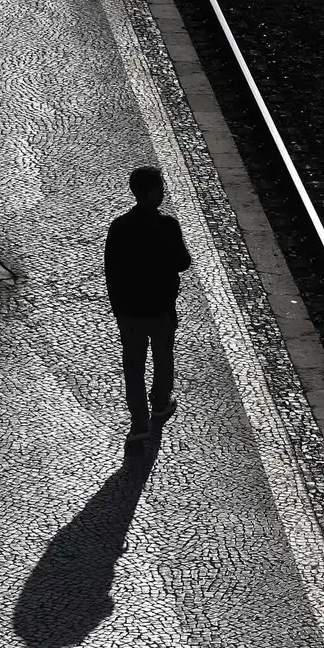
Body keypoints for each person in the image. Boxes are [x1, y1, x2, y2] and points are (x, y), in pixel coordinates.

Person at [104, 166, 191, 447]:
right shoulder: (167, 226)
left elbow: (111, 273)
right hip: (161, 307)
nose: (163, 191)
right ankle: (161, 402)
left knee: (133, 367)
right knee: (163, 357)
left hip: (130, 310)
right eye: (161, 187)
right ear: (153, 192)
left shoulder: (119, 228)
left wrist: (118, 308)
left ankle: (140, 423)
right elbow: (183, 263)